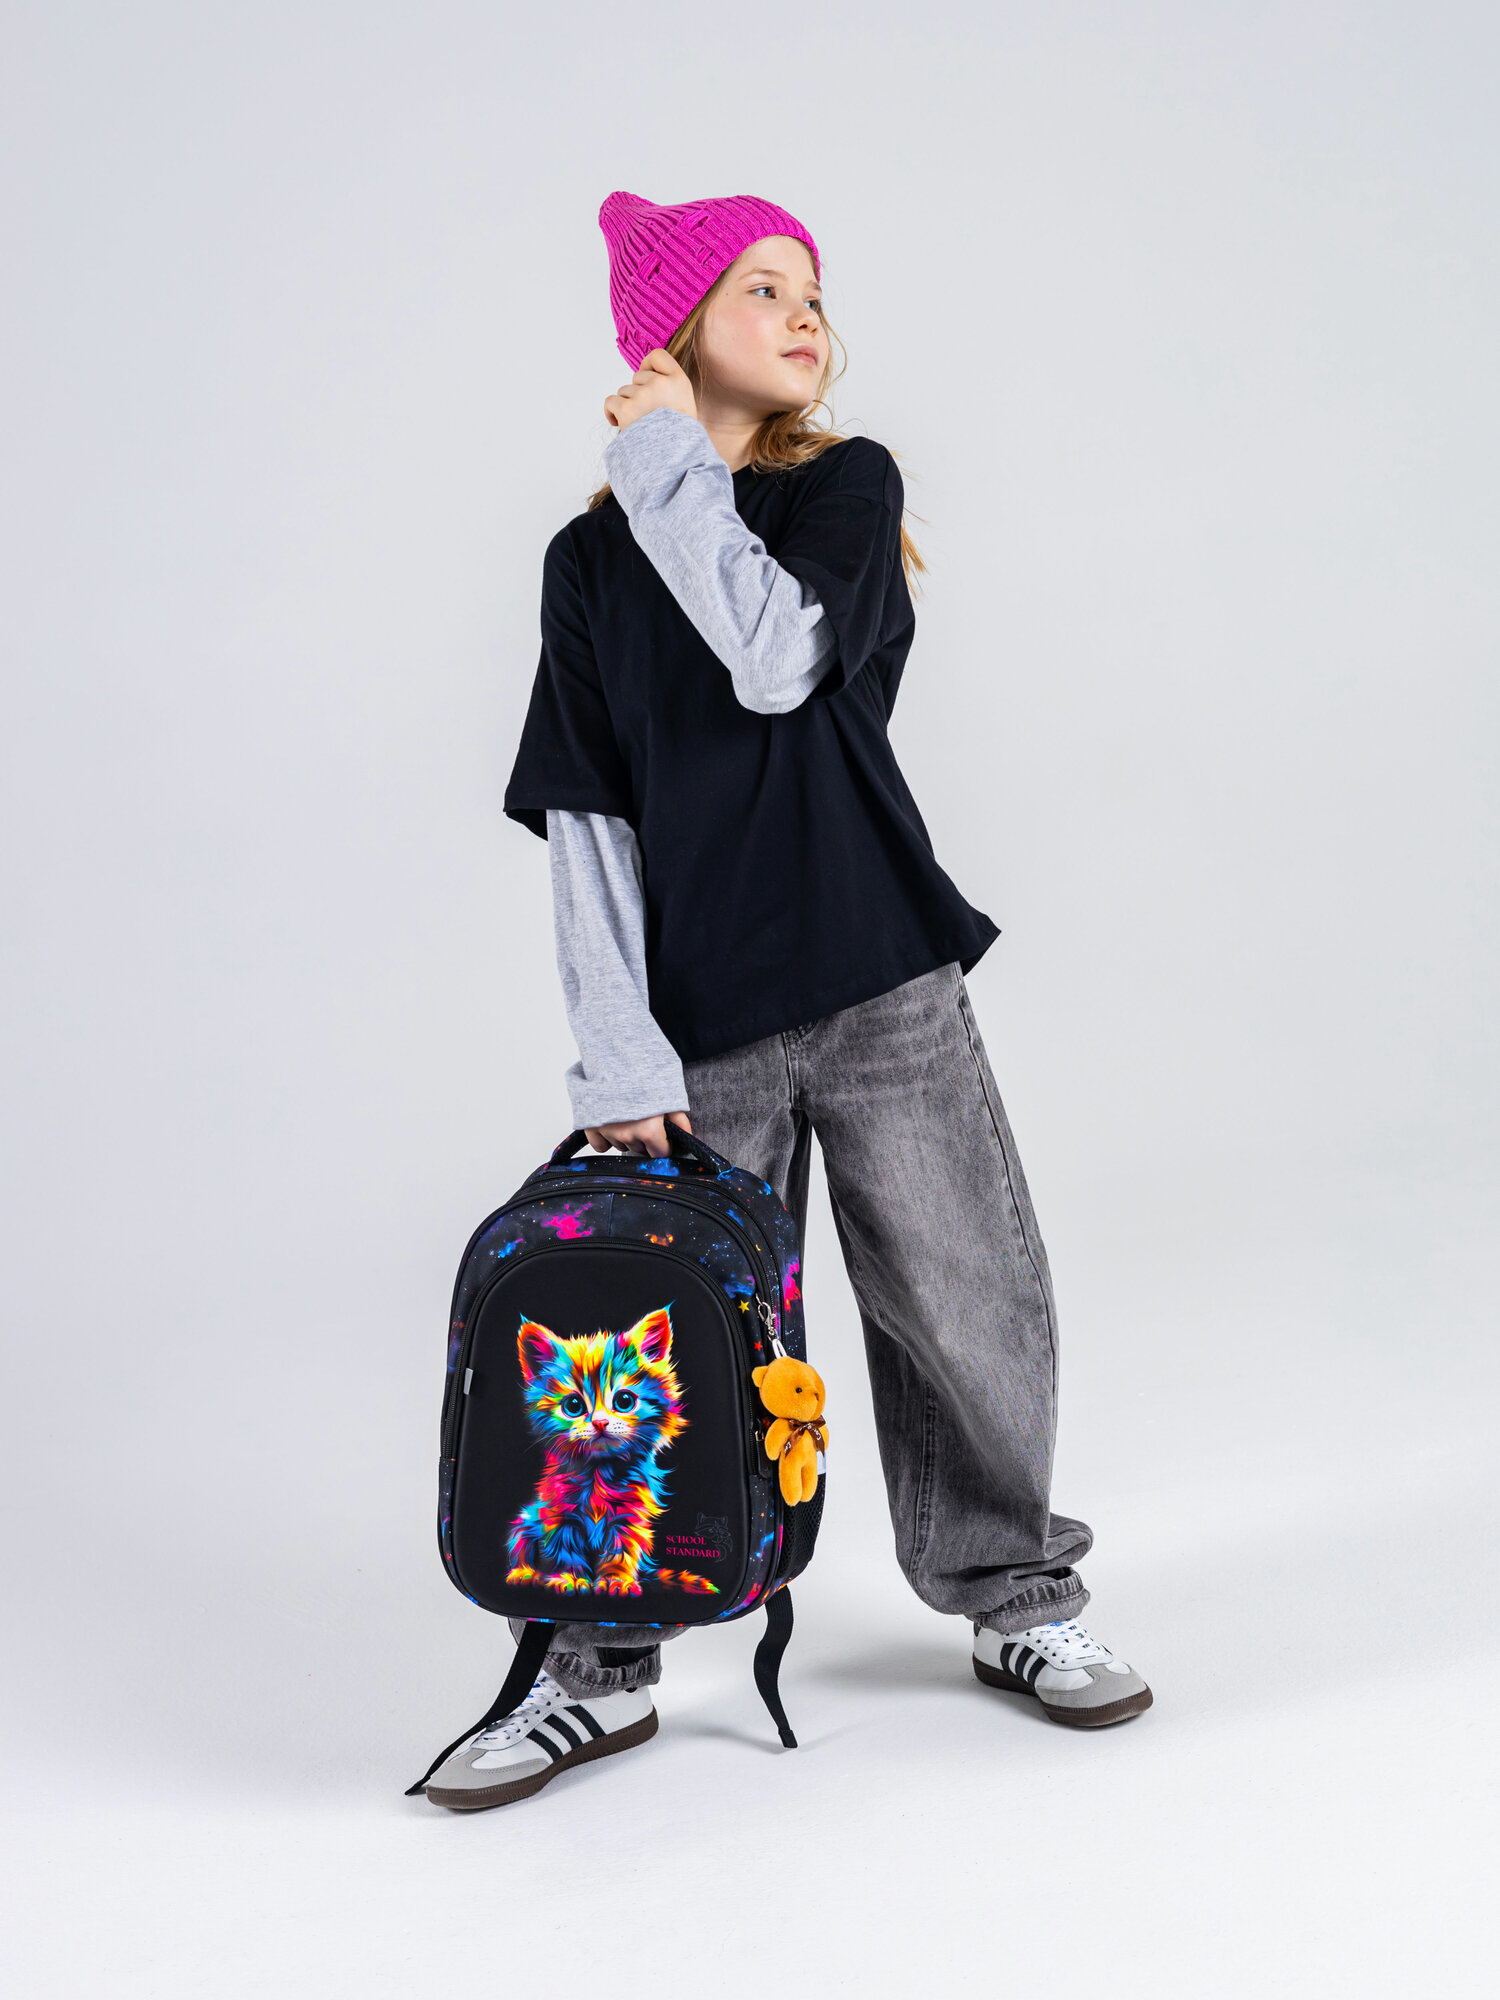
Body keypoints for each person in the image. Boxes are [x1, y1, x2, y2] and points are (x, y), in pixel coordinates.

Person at [422, 190, 1151, 1812]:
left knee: (965, 1299)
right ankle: (598, 1666)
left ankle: (1017, 1594)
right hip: (698, 1033)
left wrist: (665, 461)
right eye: (761, 288)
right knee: (653, 1345)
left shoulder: (843, 488)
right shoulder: (589, 565)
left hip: (883, 977)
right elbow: (591, 824)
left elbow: (770, 655)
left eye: (813, 289)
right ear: (675, 332)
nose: (804, 312)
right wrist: (617, 1056)